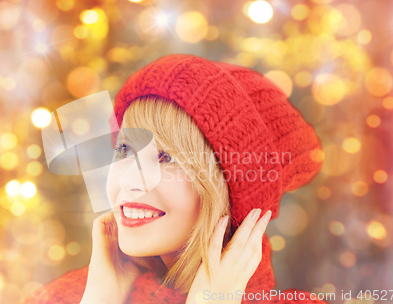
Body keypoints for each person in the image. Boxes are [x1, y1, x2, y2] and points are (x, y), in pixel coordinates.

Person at [22, 54, 327, 304]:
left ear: (230, 193)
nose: (129, 181)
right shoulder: (65, 297)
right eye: (125, 149)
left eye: (168, 157)